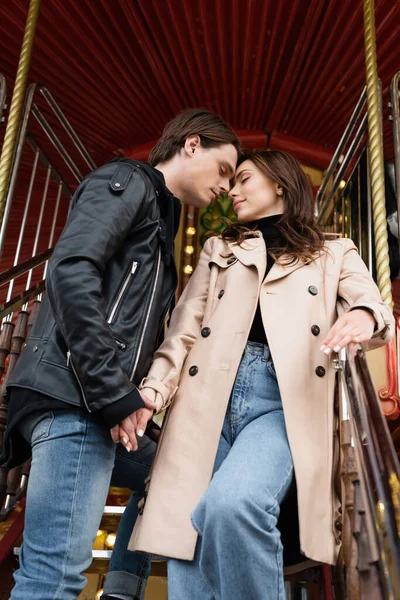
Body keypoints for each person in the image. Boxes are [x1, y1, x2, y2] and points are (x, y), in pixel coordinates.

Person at [129, 150, 394, 600]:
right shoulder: (219, 249)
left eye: (244, 179)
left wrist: (365, 317)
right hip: (206, 395)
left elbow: (374, 305)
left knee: (233, 506)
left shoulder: (333, 250)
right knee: (187, 528)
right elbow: (184, 330)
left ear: (281, 186)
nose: (232, 191)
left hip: (284, 400)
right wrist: (153, 391)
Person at [0, 108, 240, 600]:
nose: (226, 187)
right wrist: (112, 391)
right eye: (224, 170)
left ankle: (122, 588)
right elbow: (69, 270)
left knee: (189, 473)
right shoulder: (127, 180)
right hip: (77, 398)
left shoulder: (160, 227)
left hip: (96, 399)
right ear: (191, 145)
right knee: (52, 578)